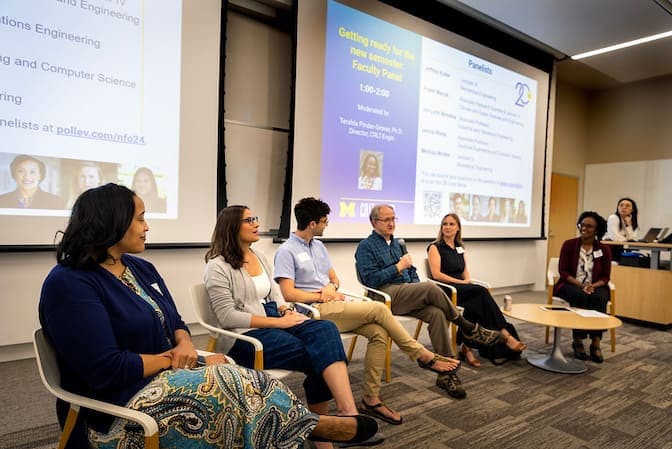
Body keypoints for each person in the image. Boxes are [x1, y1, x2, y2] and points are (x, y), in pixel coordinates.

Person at [39, 184, 379, 449]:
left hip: (164, 375)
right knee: (232, 388)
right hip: (116, 406)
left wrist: (187, 345)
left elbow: (176, 323)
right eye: (140, 218)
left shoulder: (140, 268)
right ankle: (313, 426)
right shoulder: (70, 284)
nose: (147, 226)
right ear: (111, 222)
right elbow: (105, 370)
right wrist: (174, 359)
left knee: (250, 380)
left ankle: (302, 425)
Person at [204, 205, 382, 448]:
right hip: (243, 337)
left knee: (325, 329)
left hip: (273, 319)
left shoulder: (258, 256)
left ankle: (347, 414)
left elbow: (275, 294)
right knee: (318, 356)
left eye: (255, 217)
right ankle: (329, 435)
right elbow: (227, 317)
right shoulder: (217, 266)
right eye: (250, 220)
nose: (257, 223)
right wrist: (280, 321)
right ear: (232, 227)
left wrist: (286, 310)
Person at [274, 197, 460, 424]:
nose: (327, 224)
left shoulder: (319, 246)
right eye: (324, 221)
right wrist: (320, 295)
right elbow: (288, 294)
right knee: (378, 310)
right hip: (312, 311)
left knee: (379, 334)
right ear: (312, 224)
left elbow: (334, 278)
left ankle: (371, 399)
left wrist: (331, 288)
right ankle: (422, 355)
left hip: (333, 304)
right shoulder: (287, 250)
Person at [355, 204, 503, 399]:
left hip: (406, 293)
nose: (391, 223)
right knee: (431, 287)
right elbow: (370, 281)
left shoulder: (398, 244)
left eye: (394, 219)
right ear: (374, 222)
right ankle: (467, 326)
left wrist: (413, 284)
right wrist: (398, 267)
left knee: (437, 314)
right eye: (386, 220)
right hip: (385, 296)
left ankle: (446, 372)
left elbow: (413, 271)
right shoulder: (366, 246)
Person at [427, 213, 526, 367]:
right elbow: (436, 275)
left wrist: (467, 281)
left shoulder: (460, 247)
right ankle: (504, 335)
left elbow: (465, 270)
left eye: (452, 224)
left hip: (460, 287)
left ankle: (467, 348)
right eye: (445, 224)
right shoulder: (435, 247)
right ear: (441, 227)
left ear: (458, 228)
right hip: (445, 289)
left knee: (478, 300)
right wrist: (462, 282)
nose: (447, 227)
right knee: (480, 293)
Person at [554, 211, 612, 363]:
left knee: (600, 297)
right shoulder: (569, 245)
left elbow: (606, 277)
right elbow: (563, 271)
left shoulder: (604, 249)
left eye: (589, 226)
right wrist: (581, 285)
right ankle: (578, 340)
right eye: (582, 224)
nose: (584, 228)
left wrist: (593, 286)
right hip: (571, 283)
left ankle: (596, 343)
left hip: (596, 285)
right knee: (579, 295)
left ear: (597, 230)